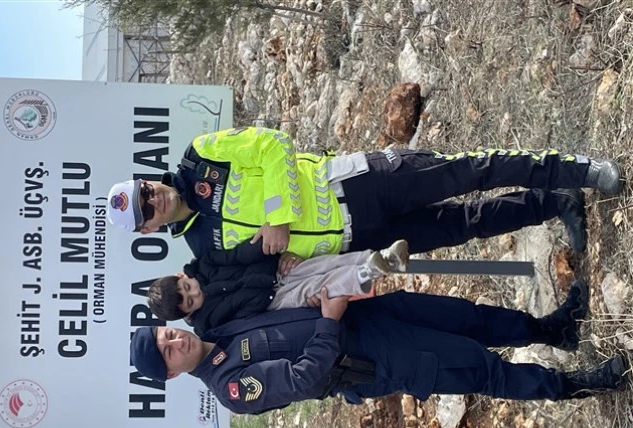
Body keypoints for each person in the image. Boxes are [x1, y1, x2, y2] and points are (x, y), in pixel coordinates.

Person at [107, 127, 624, 260]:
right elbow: (259, 273)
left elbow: (273, 145)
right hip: (358, 243)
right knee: (465, 225)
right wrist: (288, 264)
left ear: (148, 180)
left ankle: (578, 171)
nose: (153, 200)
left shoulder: (201, 155)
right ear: (148, 230)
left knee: (470, 172)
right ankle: (558, 202)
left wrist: (278, 215)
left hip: (357, 183)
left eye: (144, 190)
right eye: (145, 211)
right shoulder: (201, 248)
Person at [129, 280, 627, 415]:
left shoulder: (220, 329)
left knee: (467, 318)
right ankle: (578, 385)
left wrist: (317, 307)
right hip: (375, 361)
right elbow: (303, 378)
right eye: (168, 352)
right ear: (172, 374)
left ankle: (554, 330)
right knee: (481, 369)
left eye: (167, 334)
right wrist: (327, 322)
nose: (175, 341)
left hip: (370, 317)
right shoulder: (230, 389)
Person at [148, 238, 409, 335]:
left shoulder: (205, 264)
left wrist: (262, 246)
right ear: (188, 314)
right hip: (273, 302)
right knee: (319, 288)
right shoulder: (209, 323)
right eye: (191, 301)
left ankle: (383, 258)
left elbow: (237, 255)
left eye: (187, 286)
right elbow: (244, 321)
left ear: (181, 275)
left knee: (324, 265)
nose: (195, 292)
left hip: (275, 271)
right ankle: (367, 272)